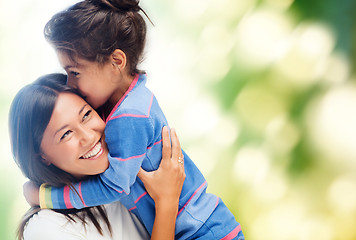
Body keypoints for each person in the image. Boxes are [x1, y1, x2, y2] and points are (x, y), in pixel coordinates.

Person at [28, 0, 244, 239]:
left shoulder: (128, 117)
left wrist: (45, 196)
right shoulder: (132, 98)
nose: (70, 84)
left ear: (116, 62)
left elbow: (113, 186)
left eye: (75, 72)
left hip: (201, 231)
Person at [10, 73, 186, 240]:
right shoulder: (46, 228)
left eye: (86, 115)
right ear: (42, 157)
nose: (88, 137)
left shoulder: (126, 173)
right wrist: (167, 202)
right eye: (66, 134)